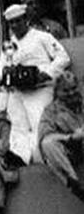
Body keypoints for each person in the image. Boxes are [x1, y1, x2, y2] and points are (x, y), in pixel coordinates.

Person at [0, 3, 70, 164]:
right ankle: (20, 157)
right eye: (11, 23)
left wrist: (47, 73)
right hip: (18, 91)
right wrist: (7, 74)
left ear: (26, 19)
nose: (15, 25)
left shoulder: (41, 37)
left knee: (39, 123)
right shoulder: (9, 45)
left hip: (39, 89)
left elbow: (63, 57)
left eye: (18, 21)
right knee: (18, 125)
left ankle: (42, 159)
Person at [39, 71, 84, 203]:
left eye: (73, 88)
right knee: (47, 144)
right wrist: (71, 137)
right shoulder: (51, 110)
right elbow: (44, 134)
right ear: (57, 91)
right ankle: (74, 183)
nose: (71, 93)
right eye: (65, 90)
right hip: (70, 150)